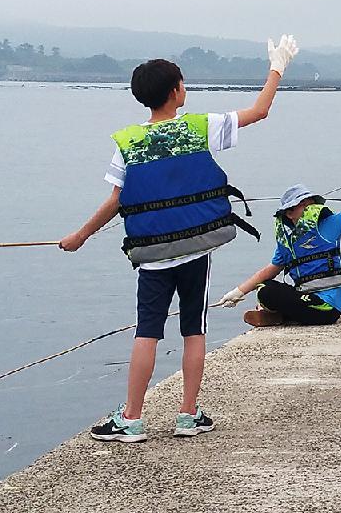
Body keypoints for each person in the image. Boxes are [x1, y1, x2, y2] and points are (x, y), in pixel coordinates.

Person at [60, 36, 300, 443]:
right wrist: (277, 67)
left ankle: (132, 419)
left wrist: (80, 235)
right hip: (195, 250)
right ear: (175, 92)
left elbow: (117, 200)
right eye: (183, 83)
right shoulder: (198, 127)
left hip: (152, 257)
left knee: (146, 332)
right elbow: (260, 111)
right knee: (194, 330)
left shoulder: (128, 143)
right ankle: (188, 415)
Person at [214, 169, 341, 327]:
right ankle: (279, 315)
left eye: (310, 203)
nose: (308, 208)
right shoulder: (288, 241)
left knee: (266, 293)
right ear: (289, 213)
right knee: (265, 287)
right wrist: (237, 293)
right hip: (304, 297)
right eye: (302, 205)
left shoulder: (329, 225)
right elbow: (268, 271)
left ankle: (280, 314)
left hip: (326, 308)